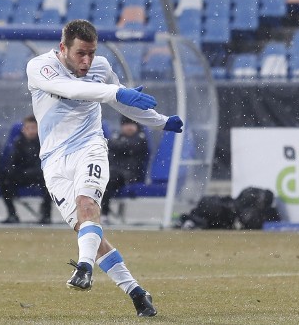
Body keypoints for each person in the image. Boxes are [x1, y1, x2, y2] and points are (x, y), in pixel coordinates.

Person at [26, 19, 183, 317]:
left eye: (91, 53)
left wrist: (160, 121)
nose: (87, 61)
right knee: (90, 234)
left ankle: (83, 269)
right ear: (63, 48)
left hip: (90, 147)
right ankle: (137, 292)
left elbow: (124, 102)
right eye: (80, 54)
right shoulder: (40, 67)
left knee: (88, 208)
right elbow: (71, 90)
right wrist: (114, 92)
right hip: (54, 161)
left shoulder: (100, 67)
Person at [0, 114, 52, 224]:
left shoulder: (44, 143)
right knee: (4, 180)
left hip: (40, 176)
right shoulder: (18, 143)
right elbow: (12, 163)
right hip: (22, 175)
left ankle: (46, 215)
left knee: (50, 182)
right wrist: (16, 172)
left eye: (34, 128)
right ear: (24, 129)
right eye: (29, 128)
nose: (31, 131)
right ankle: (12, 214)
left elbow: (46, 164)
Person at [101, 115, 149, 223]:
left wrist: (112, 143)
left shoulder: (140, 138)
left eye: (132, 124)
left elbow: (125, 146)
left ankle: (104, 214)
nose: (129, 127)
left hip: (130, 175)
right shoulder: (117, 137)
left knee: (110, 177)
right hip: (114, 173)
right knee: (103, 177)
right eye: (126, 124)